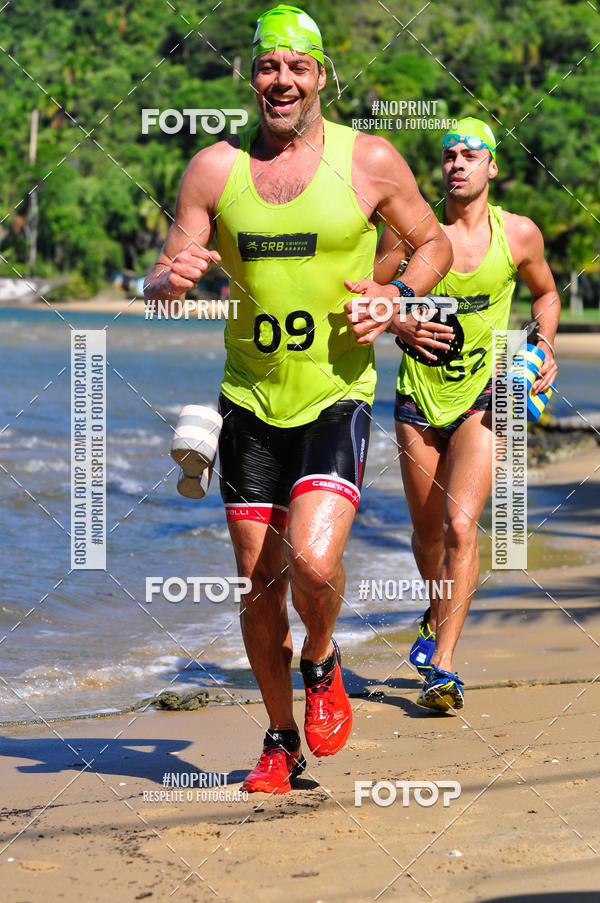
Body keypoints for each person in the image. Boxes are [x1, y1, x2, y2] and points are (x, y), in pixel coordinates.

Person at [144, 5, 452, 790]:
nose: (282, 80)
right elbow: (165, 278)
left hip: (335, 394)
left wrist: (396, 296)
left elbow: (434, 241)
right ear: (251, 76)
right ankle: (280, 737)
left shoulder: (369, 159)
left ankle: (322, 656)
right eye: (268, 66)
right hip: (248, 401)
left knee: (313, 563)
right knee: (259, 587)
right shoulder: (213, 169)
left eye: (297, 67)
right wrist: (167, 281)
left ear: (321, 77)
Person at [372, 117, 560, 712]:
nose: (457, 163)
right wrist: (398, 320)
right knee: (428, 534)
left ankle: (444, 666)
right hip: (418, 397)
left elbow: (546, 294)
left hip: (490, 392)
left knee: (460, 527)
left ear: (492, 166)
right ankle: (435, 612)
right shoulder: (413, 233)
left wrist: (543, 345)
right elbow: (369, 298)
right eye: (449, 154)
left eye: (470, 154)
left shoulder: (518, 234)